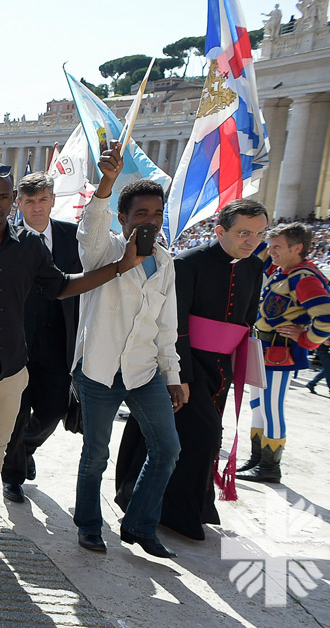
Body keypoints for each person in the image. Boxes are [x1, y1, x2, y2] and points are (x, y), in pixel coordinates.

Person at [0, 160, 146, 566]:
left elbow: (62, 286)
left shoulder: (29, 247)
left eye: (2, 197)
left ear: (13, 201)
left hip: (13, 370)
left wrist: (118, 268)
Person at [115, 199, 266, 540]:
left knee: (204, 439)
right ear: (220, 231)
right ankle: (171, 512)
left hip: (221, 369)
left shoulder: (255, 267)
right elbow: (175, 323)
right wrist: (178, 376)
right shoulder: (188, 263)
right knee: (197, 435)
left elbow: (247, 318)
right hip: (187, 363)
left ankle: (193, 505)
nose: (251, 240)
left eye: (258, 234)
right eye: (244, 232)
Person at [71, 143, 183, 559]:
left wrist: (172, 376)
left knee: (167, 448)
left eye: (156, 214)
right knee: (95, 453)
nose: (150, 221)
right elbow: (90, 226)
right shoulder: (105, 250)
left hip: (143, 372)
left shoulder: (167, 262)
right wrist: (107, 182)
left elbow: (166, 325)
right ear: (123, 218)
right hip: (99, 370)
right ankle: (88, 525)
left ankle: (139, 524)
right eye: (141, 214)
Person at [0, 172, 82, 504]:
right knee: (17, 412)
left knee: (53, 408)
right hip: (16, 341)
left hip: (58, 340)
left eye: (42, 200)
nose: (36, 208)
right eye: (29, 201)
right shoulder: (6, 239)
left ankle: (24, 447)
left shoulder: (73, 237)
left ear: (52, 201)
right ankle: (13, 475)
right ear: (19, 203)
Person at [238, 223, 330, 483]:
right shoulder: (284, 271)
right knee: (258, 406)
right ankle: (257, 459)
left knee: (271, 408)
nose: (271, 251)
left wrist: (305, 339)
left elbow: (325, 317)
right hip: (264, 348)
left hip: (281, 351)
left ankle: (269, 467)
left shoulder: (304, 278)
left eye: (277, 246)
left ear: (297, 248)